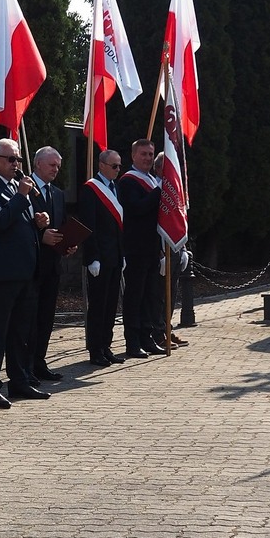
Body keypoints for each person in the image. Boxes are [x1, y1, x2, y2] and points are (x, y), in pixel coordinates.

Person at [0, 137, 51, 409]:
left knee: (21, 332)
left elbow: (21, 222)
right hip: (3, 274)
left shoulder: (17, 188)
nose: (17, 165)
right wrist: (21, 197)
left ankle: (19, 380)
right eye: (11, 159)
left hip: (26, 272)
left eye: (18, 159)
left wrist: (39, 222)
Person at [117, 138, 165, 359]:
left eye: (150, 154)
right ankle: (133, 342)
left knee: (150, 296)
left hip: (152, 247)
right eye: (143, 154)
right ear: (134, 155)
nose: (147, 158)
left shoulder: (152, 181)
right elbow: (136, 209)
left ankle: (148, 338)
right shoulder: (128, 182)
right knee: (134, 297)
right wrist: (159, 192)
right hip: (135, 248)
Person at [30, 145, 74, 381]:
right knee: (30, 317)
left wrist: (68, 243)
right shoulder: (24, 190)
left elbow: (61, 225)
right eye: (51, 165)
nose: (56, 169)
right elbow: (20, 226)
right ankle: (26, 365)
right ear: (38, 164)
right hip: (31, 266)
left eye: (58, 165)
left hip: (52, 266)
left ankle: (40, 362)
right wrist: (40, 236)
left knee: (47, 317)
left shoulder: (57, 193)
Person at [78, 148, 125, 368]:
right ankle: (95, 349)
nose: (118, 170)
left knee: (110, 305)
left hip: (115, 256)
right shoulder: (91, 189)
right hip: (99, 258)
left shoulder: (115, 188)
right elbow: (89, 226)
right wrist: (92, 257)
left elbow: (119, 227)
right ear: (102, 165)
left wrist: (122, 254)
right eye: (114, 166)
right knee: (98, 306)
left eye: (119, 166)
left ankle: (106, 346)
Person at [152, 151, 189, 349]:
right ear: (159, 169)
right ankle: (157, 333)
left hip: (174, 248)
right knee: (159, 294)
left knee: (171, 293)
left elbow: (178, 220)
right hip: (161, 250)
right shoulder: (155, 187)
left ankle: (167, 328)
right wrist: (160, 253)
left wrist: (182, 248)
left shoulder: (174, 190)